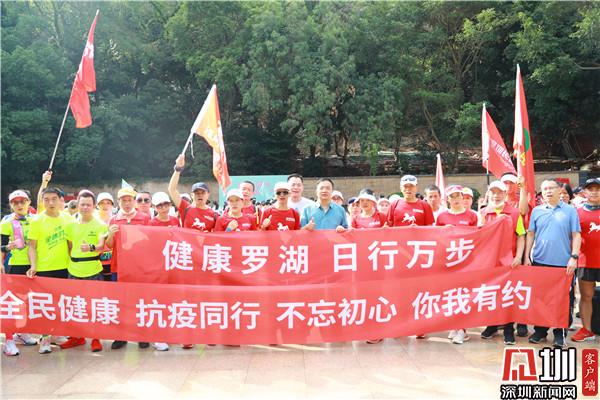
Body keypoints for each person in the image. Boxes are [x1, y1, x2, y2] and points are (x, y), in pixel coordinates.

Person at [525, 179, 581, 348]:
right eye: (545, 189)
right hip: (540, 262)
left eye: (551, 188)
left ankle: (559, 333)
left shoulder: (570, 211)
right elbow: (530, 234)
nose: (548, 191)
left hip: (563, 264)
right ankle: (540, 331)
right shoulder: (537, 211)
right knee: (540, 299)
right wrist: (527, 256)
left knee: (563, 301)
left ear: (559, 191)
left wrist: (574, 257)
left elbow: (576, 235)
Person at [479, 181, 527, 344]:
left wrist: (518, 257)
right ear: (488, 194)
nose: (496, 195)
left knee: (507, 295)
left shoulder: (514, 213)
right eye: (493, 192)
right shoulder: (484, 213)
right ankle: (492, 325)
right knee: (491, 293)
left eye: (500, 192)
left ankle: (508, 329)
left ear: (505, 194)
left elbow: (521, 236)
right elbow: (479, 236)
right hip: (490, 262)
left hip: (509, 261)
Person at [59, 190, 107, 353]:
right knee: (74, 305)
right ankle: (76, 337)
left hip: (93, 270)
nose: (85, 207)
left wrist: (91, 248)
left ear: (94, 206)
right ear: (77, 205)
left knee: (94, 305)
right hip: (74, 270)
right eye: (82, 204)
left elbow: (101, 246)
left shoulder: (100, 224)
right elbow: (69, 246)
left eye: (88, 204)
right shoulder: (70, 224)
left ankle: (96, 338)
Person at [27, 187, 73, 354]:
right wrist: (33, 266)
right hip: (44, 269)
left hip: (64, 267)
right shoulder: (37, 220)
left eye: (54, 199)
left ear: (61, 200)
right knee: (46, 304)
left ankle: (57, 334)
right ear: (42, 201)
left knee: (60, 302)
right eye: (46, 199)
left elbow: (70, 244)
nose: (50, 202)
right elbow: (32, 246)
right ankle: (45, 337)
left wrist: (73, 263)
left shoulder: (68, 218)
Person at [106, 187, 151, 350]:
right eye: (123, 200)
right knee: (120, 302)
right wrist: (111, 234)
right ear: (118, 202)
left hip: (139, 267)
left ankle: (142, 335)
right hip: (119, 267)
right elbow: (109, 245)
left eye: (129, 200)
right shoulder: (114, 220)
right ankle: (121, 336)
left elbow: (151, 241)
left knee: (140, 301)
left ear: (134, 201)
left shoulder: (144, 218)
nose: (126, 203)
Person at [436, 185, 478, 344]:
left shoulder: (471, 215)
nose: (455, 199)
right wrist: (444, 231)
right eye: (452, 197)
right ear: (447, 199)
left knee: (463, 294)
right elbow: (435, 238)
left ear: (462, 197)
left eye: (458, 196)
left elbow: (477, 236)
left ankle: (462, 330)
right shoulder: (442, 216)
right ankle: (454, 325)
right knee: (451, 294)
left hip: (465, 261)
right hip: (448, 261)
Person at [1, 190, 38, 356]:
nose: (19, 204)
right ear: (11, 205)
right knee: (12, 303)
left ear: (29, 202)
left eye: (22, 201)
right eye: (15, 202)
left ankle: (22, 333)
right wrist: (4, 254)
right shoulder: (6, 223)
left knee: (27, 302)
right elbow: (1, 246)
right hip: (14, 266)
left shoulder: (35, 220)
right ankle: (8, 340)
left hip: (33, 266)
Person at [148, 191, 181, 351]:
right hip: (158, 266)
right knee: (158, 301)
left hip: (173, 265)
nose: (163, 208)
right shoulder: (152, 223)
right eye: (159, 205)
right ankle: (158, 336)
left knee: (172, 299)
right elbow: (151, 245)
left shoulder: (175, 220)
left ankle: (170, 333)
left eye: (165, 204)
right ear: (155, 207)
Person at [571, 177, 600, 342]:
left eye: (598, 189)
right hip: (585, 261)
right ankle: (587, 330)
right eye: (591, 189)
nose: (594, 192)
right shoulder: (577, 212)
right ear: (585, 192)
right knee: (586, 296)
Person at [168, 154, 218, 232]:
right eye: (197, 193)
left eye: (203, 193)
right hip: (186, 240)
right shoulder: (185, 208)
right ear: (192, 195)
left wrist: (209, 235)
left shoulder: (214, 215)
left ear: (208, 195)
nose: (200, 195)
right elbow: (172, 189)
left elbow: (218, 234)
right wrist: (178, 169)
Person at [96, 192, 115, 281]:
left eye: (108, 203)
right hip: (97, 262)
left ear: (112, 205)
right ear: (97, 205)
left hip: (113, 262)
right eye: (102, 203)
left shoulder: (116, 220)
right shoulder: (93, 221)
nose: (105, 205)